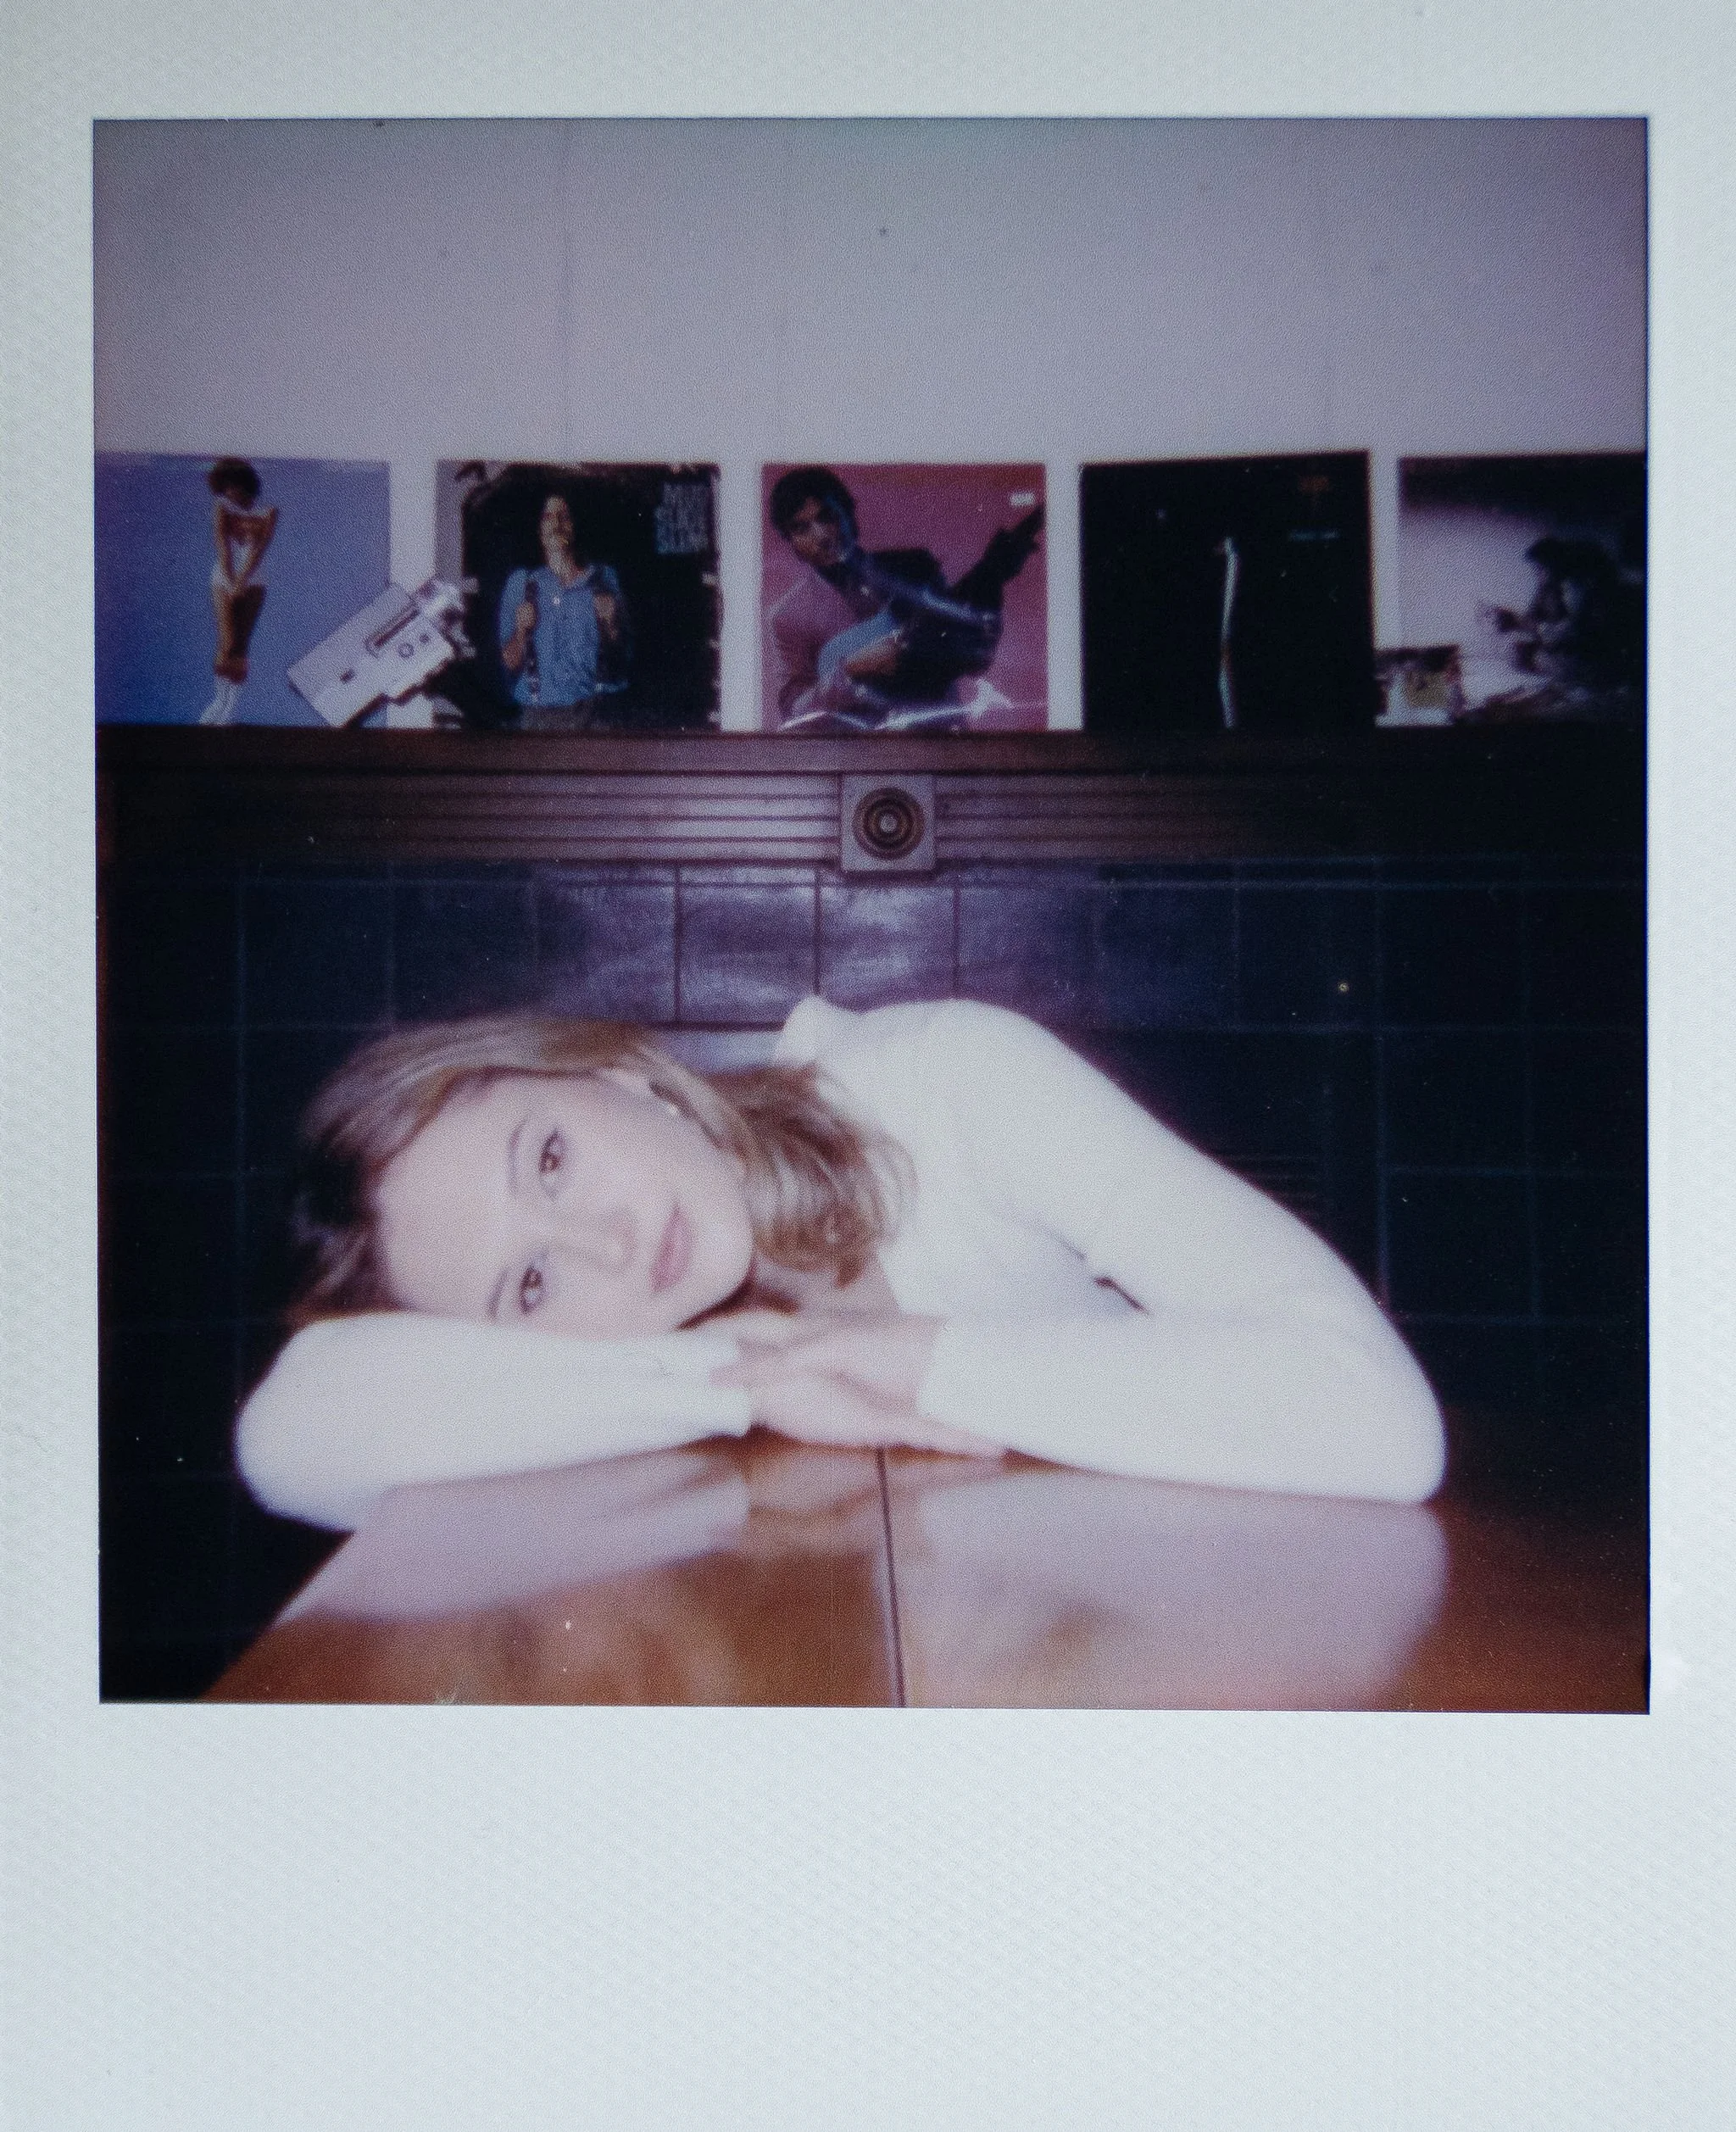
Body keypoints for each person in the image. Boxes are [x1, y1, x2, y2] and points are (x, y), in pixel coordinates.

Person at [236, 996, 1447, 1533]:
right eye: (530, 1288)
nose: (603, 1244)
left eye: (548, 1159)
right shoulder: (640, 1359)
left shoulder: (953, 1082)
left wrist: (910, 1362)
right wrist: (744, 1378)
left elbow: (1380, 1422)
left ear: (612, 1072)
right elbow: (291, 1438)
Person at [765, 467, 1043, 731]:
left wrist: (992, 580)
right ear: (790, 542)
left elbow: (974, 659)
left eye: (827, 516)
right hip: (863, 760)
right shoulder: (790, 615)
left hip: (938, 744)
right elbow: (796, 717)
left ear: (849, 512)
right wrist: (851, 670)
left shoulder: (914, 568)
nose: (822, 536)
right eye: (801, 528)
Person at [498, 492, 630, 729]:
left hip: (594, 716)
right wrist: (520, 630)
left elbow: (623, 658)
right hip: (538, 719)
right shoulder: (521, 583)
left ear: (576, 526)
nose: (557, 524)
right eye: (548, 517)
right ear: (538, 529)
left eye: (565, 517)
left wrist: (611, 623)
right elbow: (509, 662)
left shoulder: (603, 579)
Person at [200, 458, 278, 726]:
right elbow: (222, 545)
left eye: (231, 486)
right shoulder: (221, 506)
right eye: (223, 487)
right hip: (223, 578)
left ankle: (229, 710)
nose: (228, 492)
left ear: (243, 484)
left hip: (256, 580)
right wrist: (232, 582)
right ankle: (218, 702)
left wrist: (243, 581)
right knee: (228, 640)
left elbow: (259, 550)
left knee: (243, 644)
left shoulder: (268, 512)